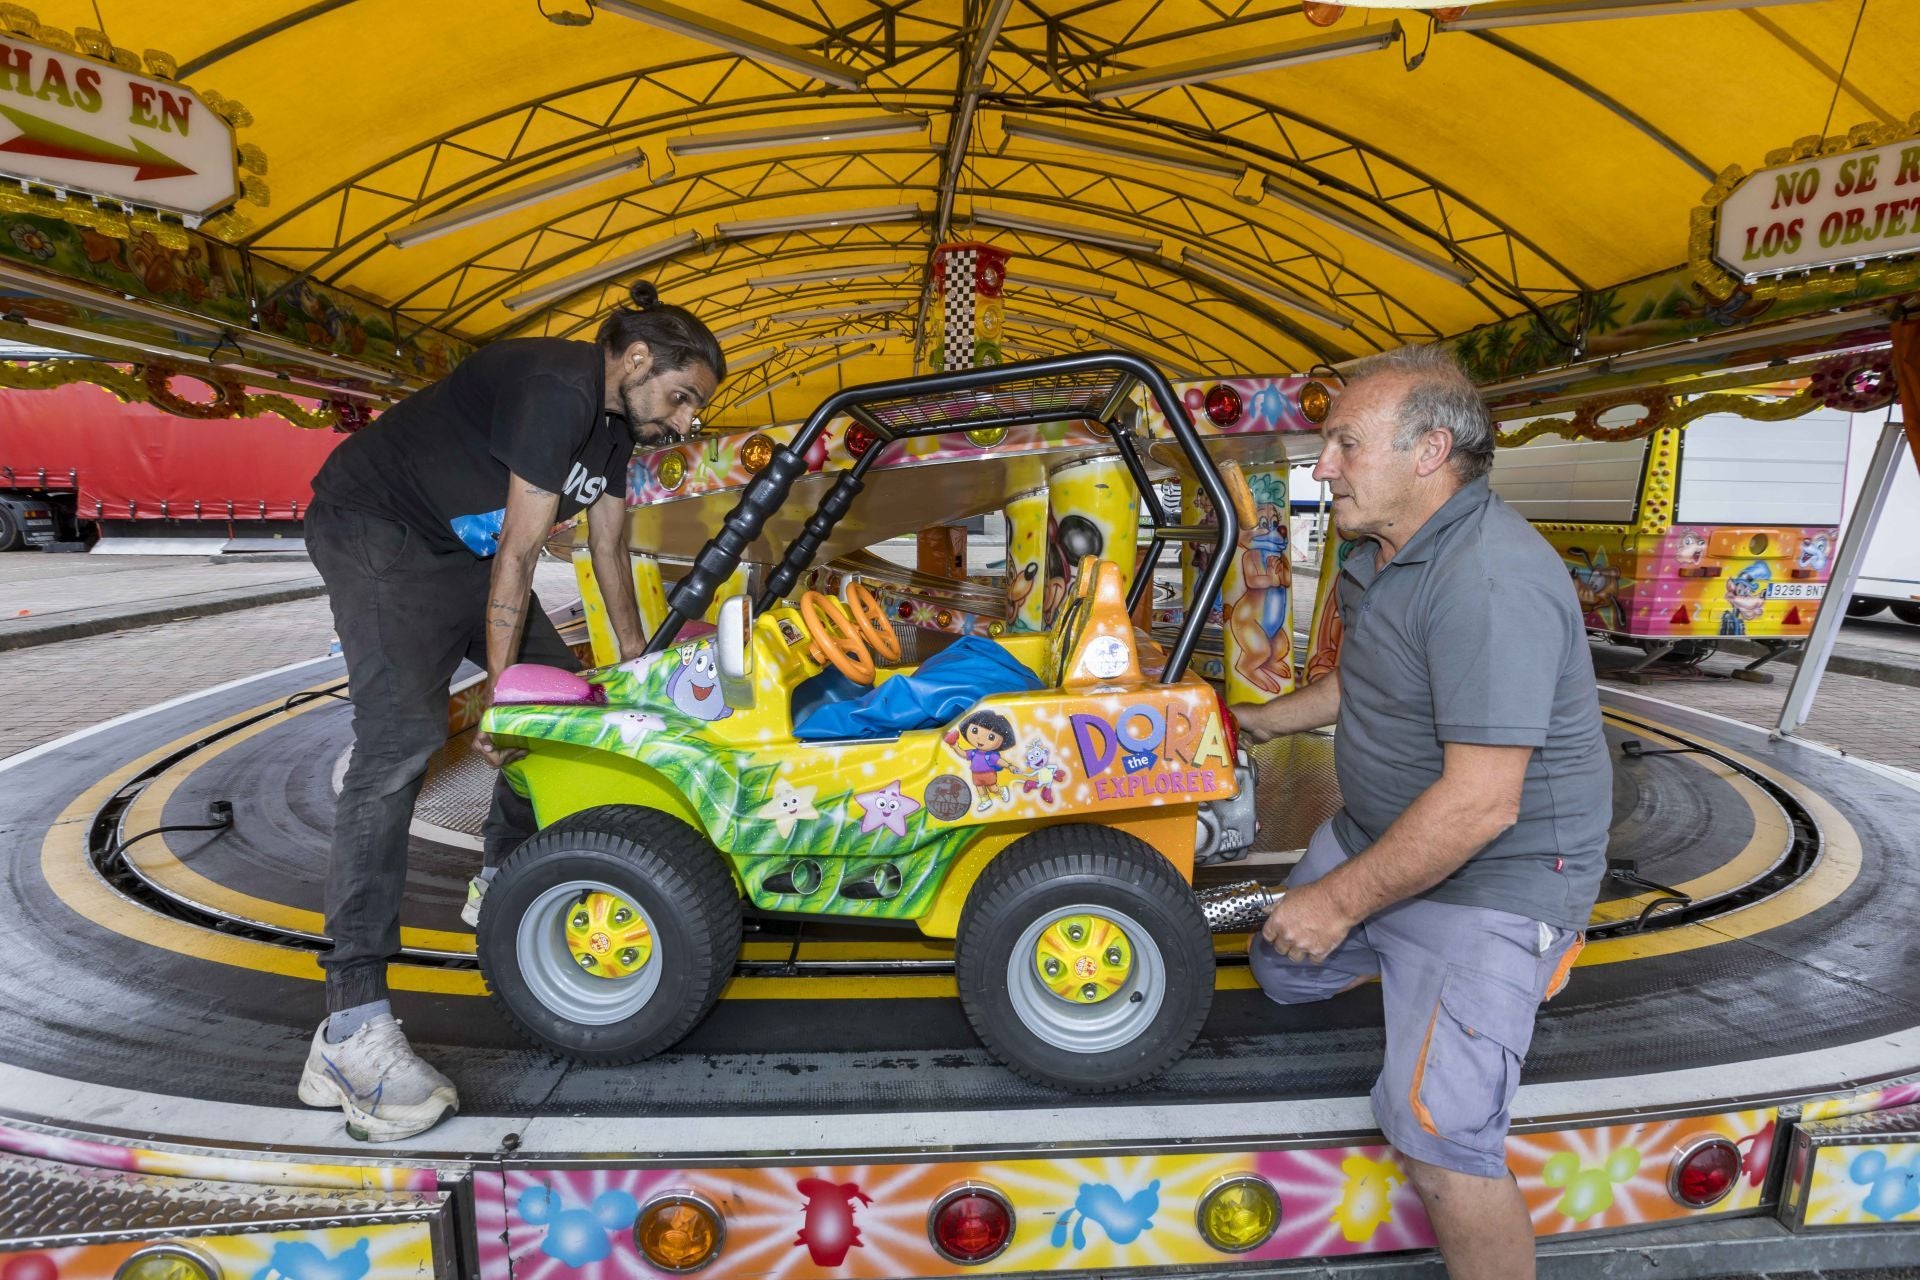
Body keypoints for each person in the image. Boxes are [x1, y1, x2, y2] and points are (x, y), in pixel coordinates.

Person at [297, 282, 724, 1142]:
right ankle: (348, 1026)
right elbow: (525, 551)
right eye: (682, 398)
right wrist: (500, 697)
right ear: (636, 359)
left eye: (694, 413)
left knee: (564, 713)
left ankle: (501, 876)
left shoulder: (612, 430)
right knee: (402, 744)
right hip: (377, 531)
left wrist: (637, 676)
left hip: (461, 550)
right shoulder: (558, 388)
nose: (684, 423)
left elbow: (608, 549)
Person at [1232, 345, 1610, 1280]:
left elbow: (1482, 805)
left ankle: (1502, 971)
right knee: (1277, 974)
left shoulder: (1489, 581)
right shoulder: (1379, 551)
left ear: (1430, 450)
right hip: (1377, 837)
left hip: (1497, 877)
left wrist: (1337, 903)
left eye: (1344, 445)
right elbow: (1361, 683)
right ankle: (1413, 967)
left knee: (1436, 1136)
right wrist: (1247, 723)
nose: (1322, 467)